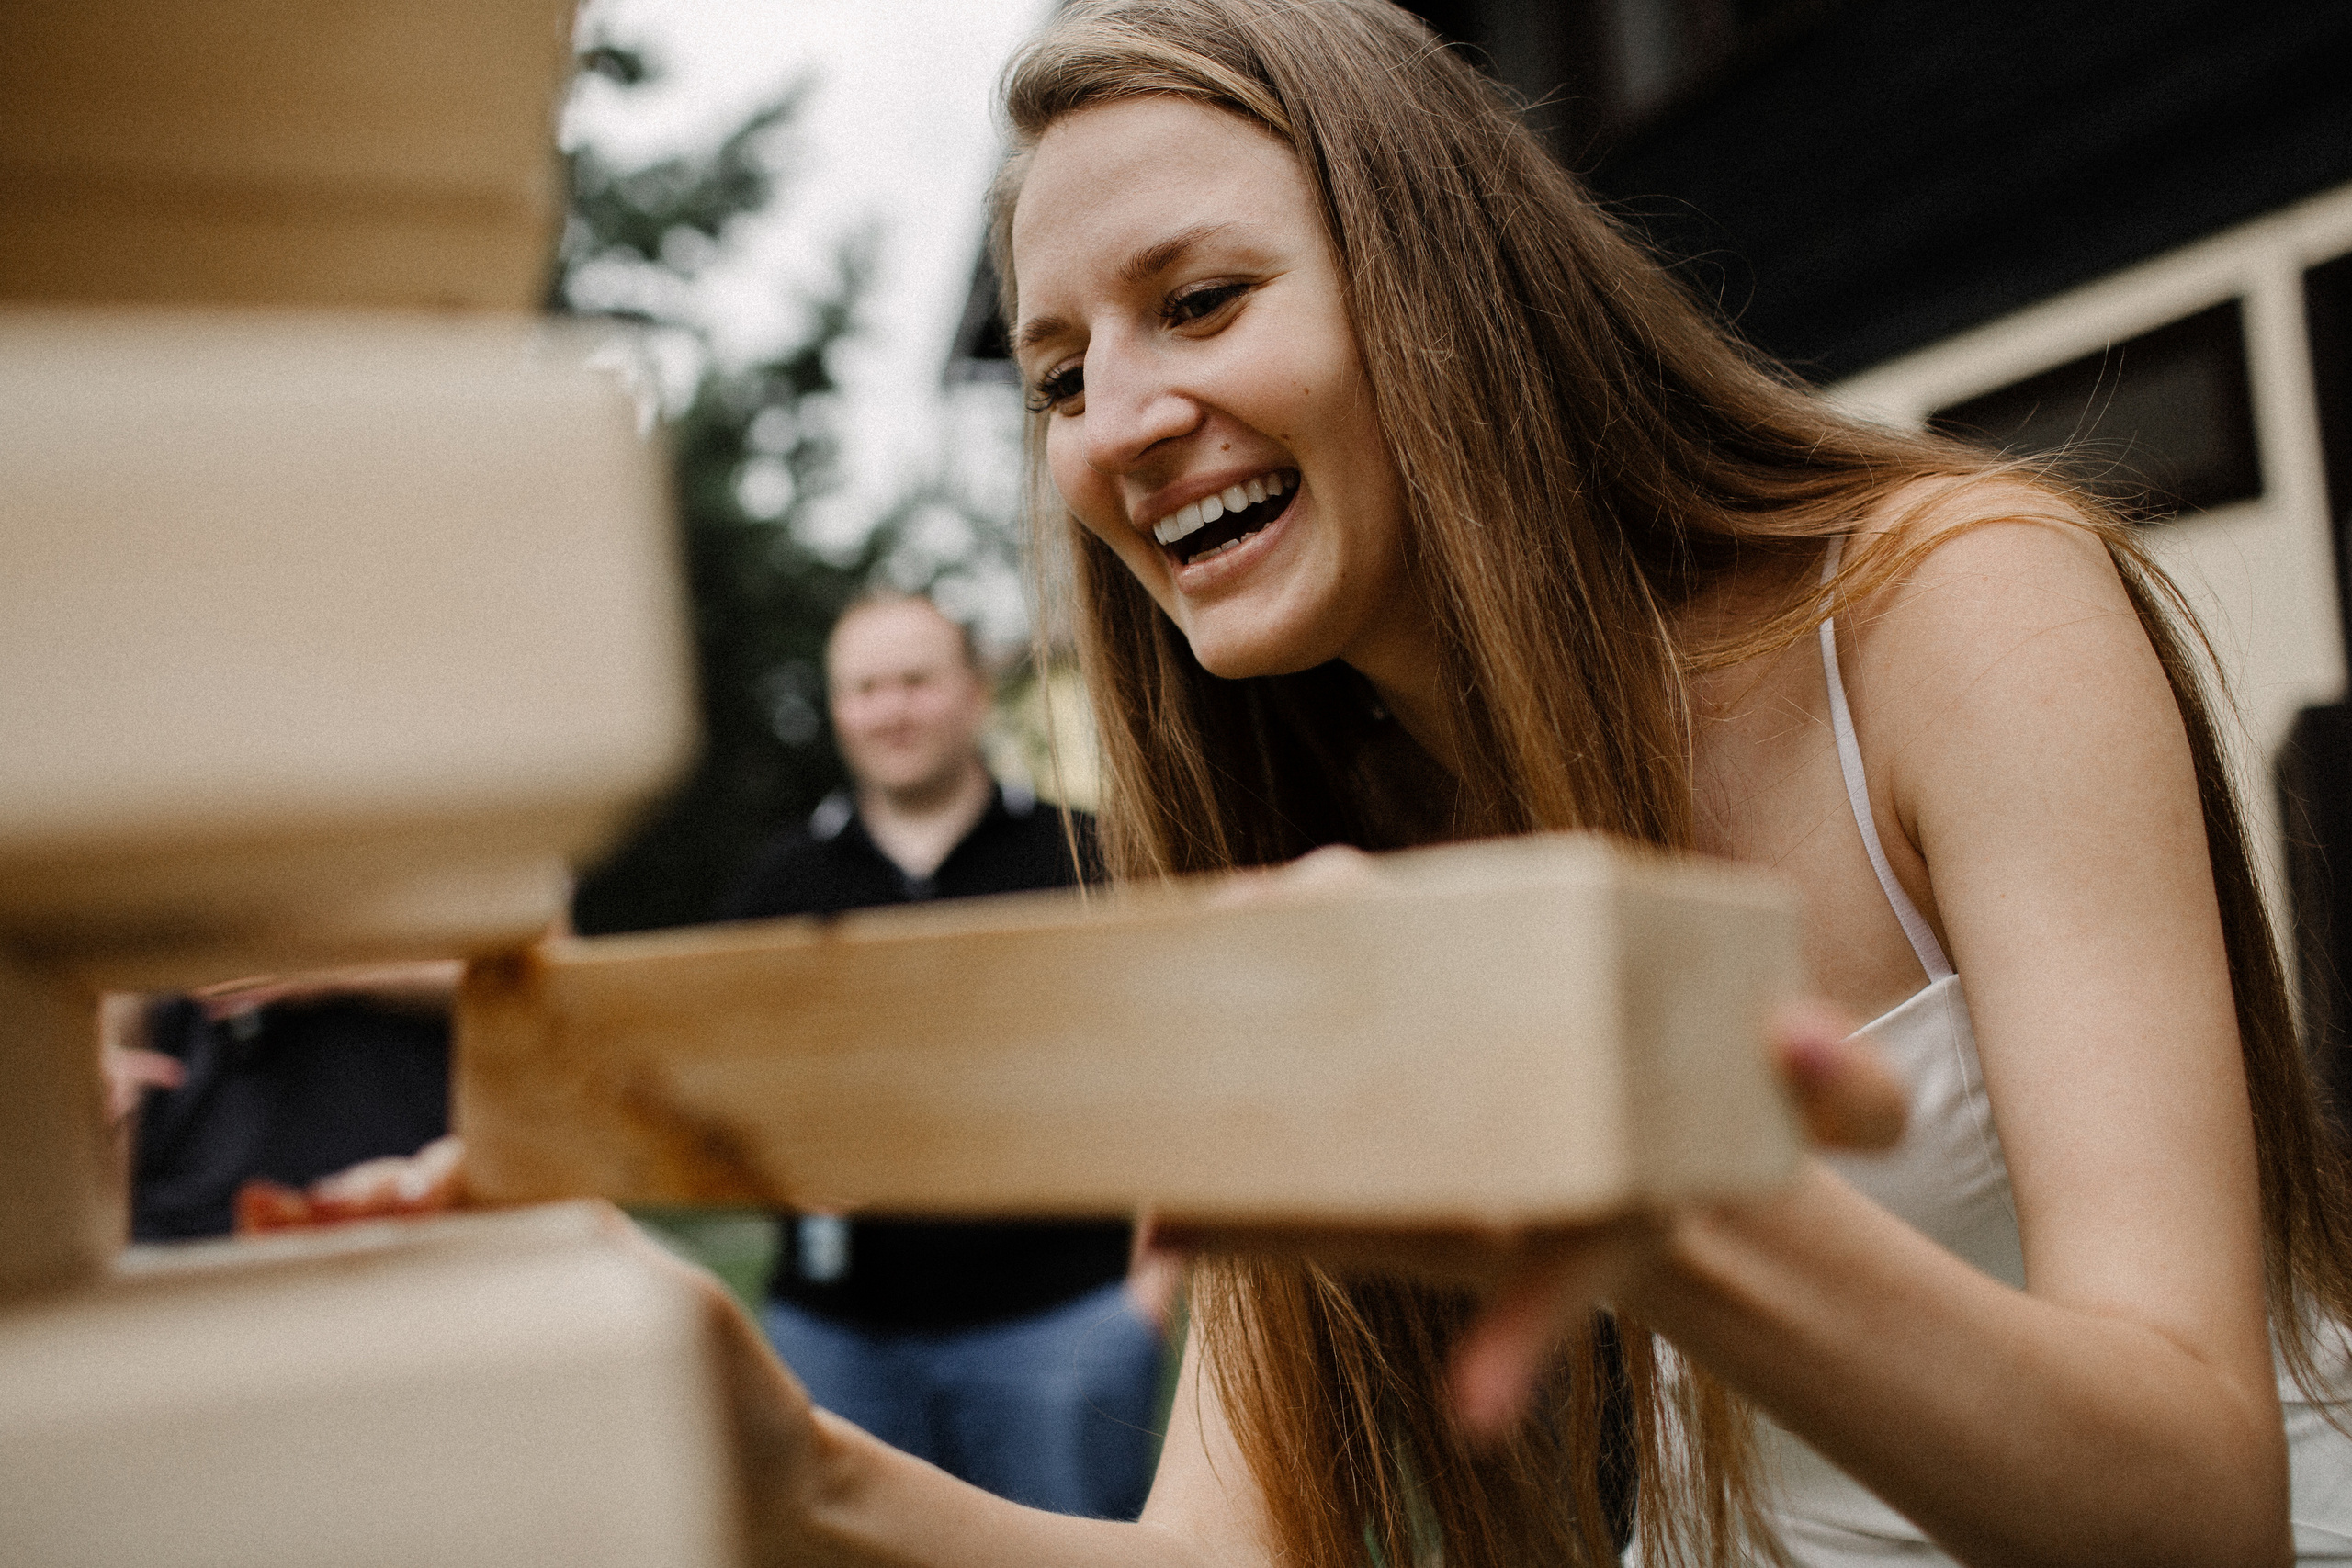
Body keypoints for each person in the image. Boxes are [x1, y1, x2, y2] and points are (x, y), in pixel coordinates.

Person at [305, 2, 2352, 1563]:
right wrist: (787, 1463)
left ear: (1440, 278)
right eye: (1054, 373)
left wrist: (1645, 1190)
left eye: (1198, 300)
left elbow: (2196, 1500)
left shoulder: (1949, 608)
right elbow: (1213, 1548)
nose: (1115, 419)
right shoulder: (1315, 859)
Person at [717, 591, 1166, 1522]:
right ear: (837, 710)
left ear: (972, 692)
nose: (891, 709)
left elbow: (1173, 1060)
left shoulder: (1087, 855)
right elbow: (717, 1077)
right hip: (836, 1338)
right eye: (865, 687)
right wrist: (762, 1158)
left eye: (916, 680)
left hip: (1064, 1326)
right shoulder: (781, 881)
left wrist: (1148, 1297)